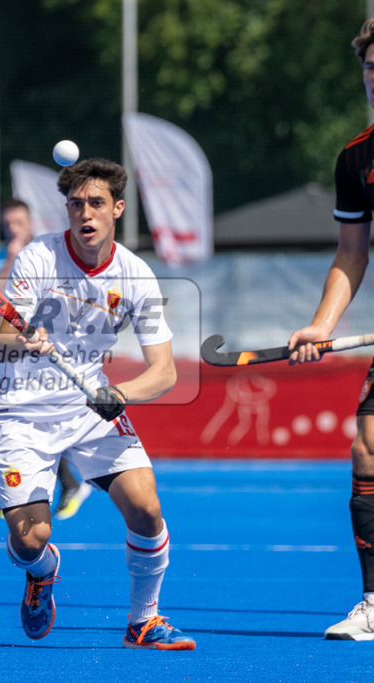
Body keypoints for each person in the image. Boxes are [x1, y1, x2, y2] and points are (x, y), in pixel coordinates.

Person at [0, 158, 195, 650]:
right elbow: (0, 341)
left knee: (146, 507)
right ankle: (44, 570)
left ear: (117, 208)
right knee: (30, 540)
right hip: (18, 411)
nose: (85, 213)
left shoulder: (136, 275)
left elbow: (164, 372)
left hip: (88, 407)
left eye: (96, 203)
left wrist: (120, 395)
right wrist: (23, 340)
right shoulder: (37, 259)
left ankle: (144, 620)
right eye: (76, 204)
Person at [287, 18, 374, 642]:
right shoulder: (357, 157)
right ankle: (373, 602)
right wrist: (321, 324)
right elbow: (351, 252)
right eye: (370, 67)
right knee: (367, 448)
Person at [0, 197, 92, 521]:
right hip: (7, 350)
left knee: (36, 419)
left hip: (45, 352)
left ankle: (55, 487)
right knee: (16, 420)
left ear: (30, 223)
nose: (13, 228)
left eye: (18, 222)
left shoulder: (47, 257)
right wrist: (10, 260)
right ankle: (36, 489)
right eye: (8, 224)